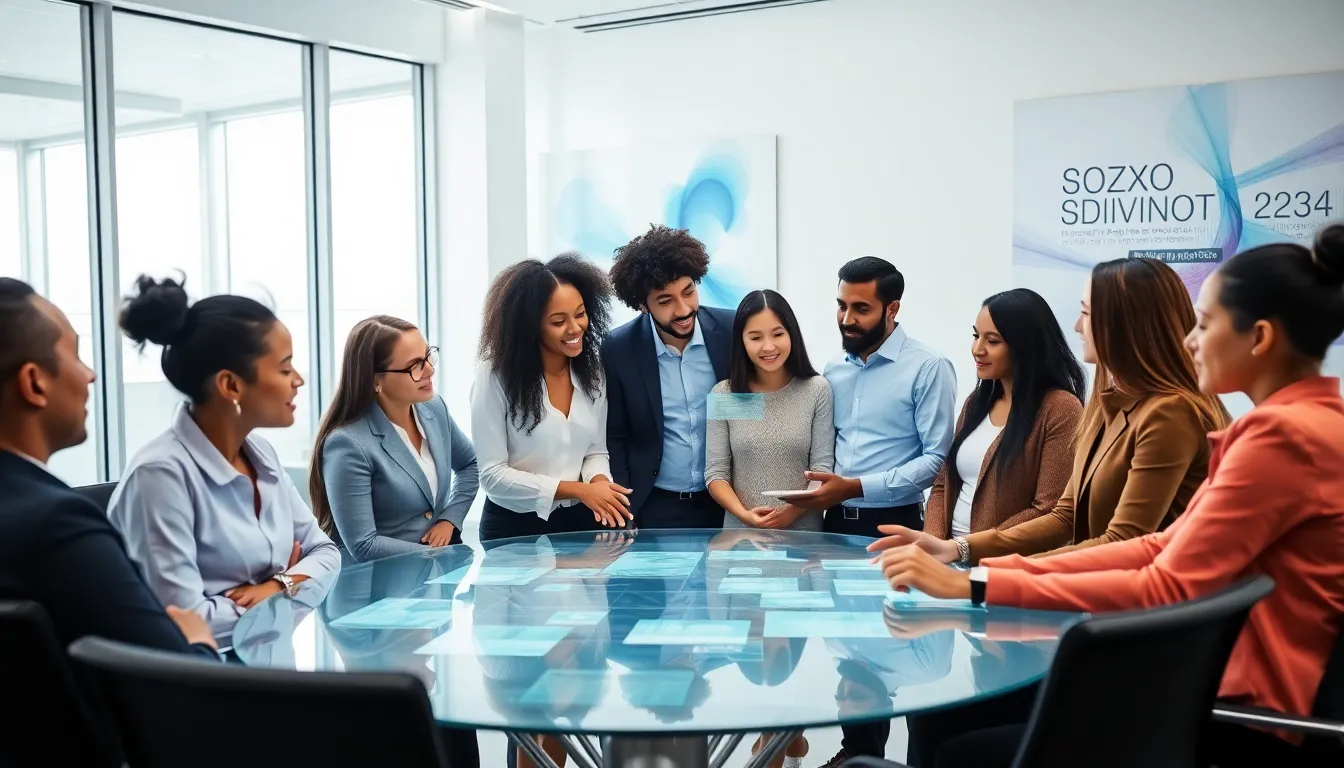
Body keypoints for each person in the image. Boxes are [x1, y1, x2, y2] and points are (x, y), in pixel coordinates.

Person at [874, 225, 1344, 768]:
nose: (1191, 340)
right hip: (1205, 682)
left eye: (1206, 325)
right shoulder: (1298, 423)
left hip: (1226, 706)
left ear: (1259, 338)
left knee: (960, 746)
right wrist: (973, 574)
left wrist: (977, 585)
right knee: (951, 720)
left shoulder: (1282, 437)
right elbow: (1156, 548)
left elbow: (1163, 576)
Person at [886, 258, 1229, 581]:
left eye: (1085, 313)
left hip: (1148, 610)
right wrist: (956, 548)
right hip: (1100, 595)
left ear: (1124, 325)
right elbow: (1066, 516)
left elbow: (1123, 541)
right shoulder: (1105, 404)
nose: (1078, 326)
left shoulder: (1169, 412)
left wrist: (985, 575)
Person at [789, 257, 956, 768]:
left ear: (893, 308)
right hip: (833, 524)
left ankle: (879, 759)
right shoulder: (832, 370)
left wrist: (855, 485)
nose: (846, 318)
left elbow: (935, 459)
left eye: (861, 309)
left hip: (897, 528)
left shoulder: (929, 368)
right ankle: (855, 756)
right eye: (841, 305)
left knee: (890, 643)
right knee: (851, 651)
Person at [108, 276, 340, 643]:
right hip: (204, 683)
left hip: (269, 666)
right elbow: (186, 623)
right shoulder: (160, 477)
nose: (298, 380)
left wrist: (277, 585)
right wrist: (293, 585)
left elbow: (326, 553)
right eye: (284, 368)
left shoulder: (260, 452)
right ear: (231, 385)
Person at [0, 278, 218, 659]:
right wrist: (198, 640)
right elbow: (184, 687)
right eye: (77, 355)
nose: (91, 375)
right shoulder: (58, 527)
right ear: (34, 383)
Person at [471, 254, 633, 542]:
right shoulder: (495, 376)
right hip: (513, 527)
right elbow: (492, 476)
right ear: (530, 327)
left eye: (581, 314)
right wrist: (579, 490)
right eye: (558, 321)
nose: (575, 329)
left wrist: (599, 485)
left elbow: (595, 450)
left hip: (580, 519)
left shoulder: (592, 371)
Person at [310, 315, 479, 562]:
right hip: (378, 586)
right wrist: (438, 555)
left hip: (433, 581)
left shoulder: (434, 408)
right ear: (375, 381)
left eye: (428, 355)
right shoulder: (347, 444)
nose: (430, 369)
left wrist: (449, 518)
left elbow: (469, 464)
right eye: (415, 366)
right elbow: (363, 545)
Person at [922, 289, 1086, 540]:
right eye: (976, 336)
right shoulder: (976, 402)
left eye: (993, 341)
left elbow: (1048, 509)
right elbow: (943, 485)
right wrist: (932, 546)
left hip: (1004, 565)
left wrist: (967, 548)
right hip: (948, 559)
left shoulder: (1061, 408)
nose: (977, 349)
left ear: (1024, 346)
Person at [603, 225, 734, 529]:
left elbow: (753, 408)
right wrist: (625, 513)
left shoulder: (731, 331)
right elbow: (616, 435)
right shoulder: (618, 348)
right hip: (652, 505)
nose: (684, 309)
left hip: (726, 502)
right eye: (666, 301)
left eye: (689, 291)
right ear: (642, 305)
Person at [705, 290, 833, 531]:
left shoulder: (817, 390)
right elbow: (716, 473)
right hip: (741, 538)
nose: (768, 346)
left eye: (778, 334)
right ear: (741, 341)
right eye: (755, 337)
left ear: (791, 334)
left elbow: (821, 470)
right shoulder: (725, 394)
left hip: (804, 539)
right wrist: (745, 515)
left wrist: (790, 514)